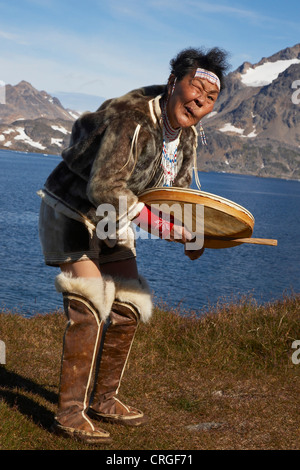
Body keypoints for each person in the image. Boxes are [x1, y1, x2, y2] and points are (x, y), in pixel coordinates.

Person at [38, 47, 229, 444]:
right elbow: (104, 187)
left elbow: (171, 197)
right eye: (196, 89)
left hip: (114, 218)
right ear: (174, 83)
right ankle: (70, 414)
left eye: (210, 98)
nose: (200, 101)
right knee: (88, 303)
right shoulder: (132, 119)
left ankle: (104, 401)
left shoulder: (187, 137)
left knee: (129, 304)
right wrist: (166, 228)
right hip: (71, 210)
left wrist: (192, 234)